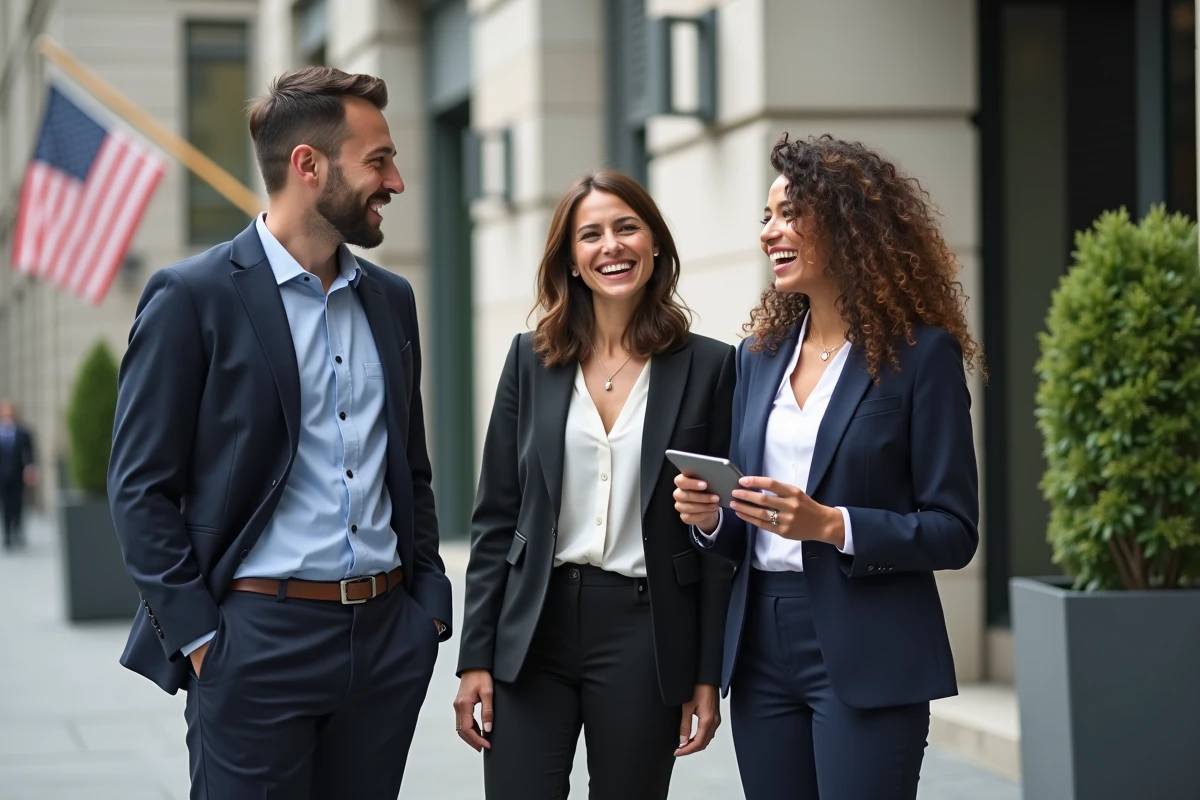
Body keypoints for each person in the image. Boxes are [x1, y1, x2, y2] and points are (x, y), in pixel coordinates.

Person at [107, 66, 451, 800]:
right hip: (256, 644)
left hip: (388, 640)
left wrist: (427, 606)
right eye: (378, 160)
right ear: (308, 166)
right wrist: (204, 640)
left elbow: (409, 468)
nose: (395, 182)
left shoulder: (392, 300)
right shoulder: (192, 297)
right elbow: (140, 489)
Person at [673, 133, 983, 800]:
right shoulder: (758, 356)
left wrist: (833, 524)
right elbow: (748, 523)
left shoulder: (920, 357)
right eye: (765, 217)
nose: (769, 233)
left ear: (848, 224)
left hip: (868, 644)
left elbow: (954, 530)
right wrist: (710, 517)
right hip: (761, 645)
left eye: (790, 214)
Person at [453, 170, 736, 800]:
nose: (611, 245)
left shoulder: (713, 366)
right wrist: (475, 655)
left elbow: (721, 545)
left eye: (626, 227)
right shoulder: (530, 360)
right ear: (571, 260)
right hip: (534, 626)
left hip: (646, 629)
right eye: (591, 234)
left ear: (655, 243)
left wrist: (706, 674)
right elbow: (497, 517)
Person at [0, 398, 36, 550]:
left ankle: (18, 531)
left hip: (17, 475)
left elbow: (30, 454)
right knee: (5, 506)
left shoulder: (23, 433)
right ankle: (7, 534)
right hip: (2, 476)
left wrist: (31, 469)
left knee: (18, 504)